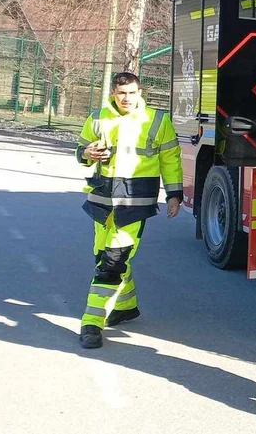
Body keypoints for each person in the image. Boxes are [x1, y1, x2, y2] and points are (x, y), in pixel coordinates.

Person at [75, 72, 182, 349]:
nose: (127, 98)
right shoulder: (98, 118)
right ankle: (125, 306)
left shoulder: (157, 120)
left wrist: (174, 194)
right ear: (113, 93)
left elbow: (170, 159)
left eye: (132, 92)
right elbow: (81, 150)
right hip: (102, 201)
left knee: (112, 262)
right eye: (122, 93)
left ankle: (91, 323)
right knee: (103, 255)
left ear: (140, 92)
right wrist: (87, 154)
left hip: (135, 203)